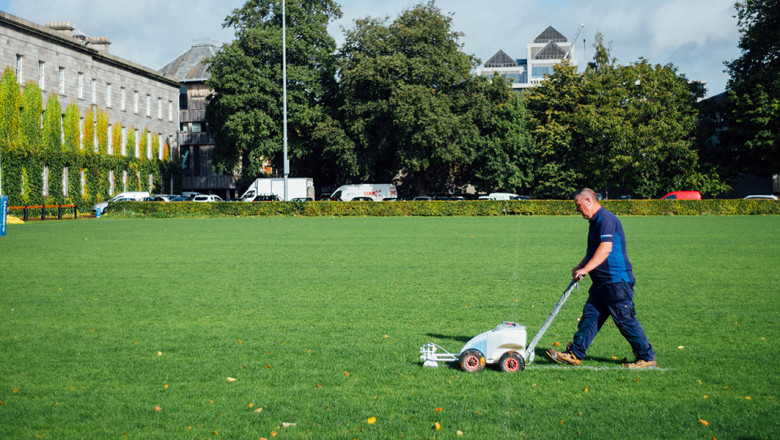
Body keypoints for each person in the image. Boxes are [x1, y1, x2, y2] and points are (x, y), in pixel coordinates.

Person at [546, 188, 657, 369]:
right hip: (601, 283)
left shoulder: (606, 218)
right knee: (590, 317)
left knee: (625, 320)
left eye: (578, 206)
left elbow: (605, 248)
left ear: (589, 201)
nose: (577, 210)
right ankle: (575, 353)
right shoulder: (594, 222)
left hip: (616, 282)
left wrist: (585, 270)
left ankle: (646, 357)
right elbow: (593, 252)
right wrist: (580, 266)